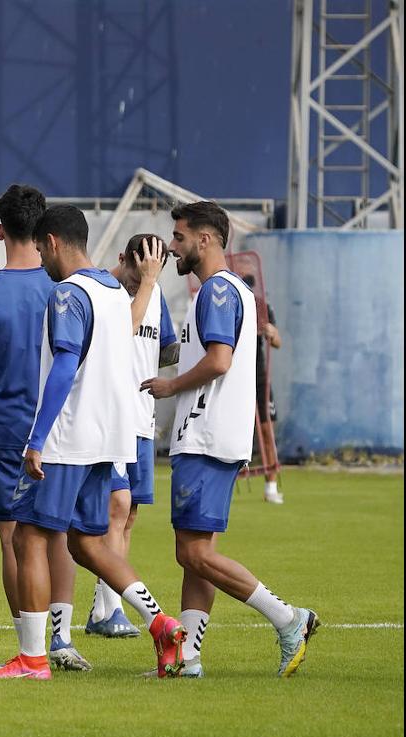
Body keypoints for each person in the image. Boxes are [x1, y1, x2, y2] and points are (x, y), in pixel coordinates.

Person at [0, 204, 185, 681]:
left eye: (40, 248)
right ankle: (161, 623)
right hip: (110, 440)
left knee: (30, 537)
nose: (40, 257)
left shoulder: (67, 294)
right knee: (89, 545)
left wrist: (37, 439)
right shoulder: (116, 291)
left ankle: (33, 660)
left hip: (68, 438)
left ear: (52, 241)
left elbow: (64, 367)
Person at [142, 201, 317, 678]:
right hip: (216, 436)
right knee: (196, 555)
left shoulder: (216, 292)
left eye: (178, 237)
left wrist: (170, 386)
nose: (172, 246)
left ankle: (289, 618)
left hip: (205, 435)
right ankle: (188, 660)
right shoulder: (232, 290)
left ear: (205, 240)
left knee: (193, 553)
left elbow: (219, 360)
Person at [0, 184, 93, 671]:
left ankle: (28, 645)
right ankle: (61, 639)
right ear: (43, 233)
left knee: (14, 539)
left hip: (10, 429)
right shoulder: (65, 290)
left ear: (0, 230)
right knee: (56, 534)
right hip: (64, 428)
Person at [85, 234, 179, 638]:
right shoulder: (105, 291)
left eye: (150, 273)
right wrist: (147, 284)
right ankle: (109, 610)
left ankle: (104, 607)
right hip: (111, 420)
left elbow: (168, 349)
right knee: (116, 508)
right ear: (123, 259)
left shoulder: (154, 295)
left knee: (128, 516)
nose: (141, 279)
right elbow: (124, 330)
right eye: (137, 271)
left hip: (143, 419)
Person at [240, 272, 285, 504]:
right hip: (236, 379)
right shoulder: (230, 303)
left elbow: (277, 342)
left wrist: (270, 332)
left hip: (258, 378)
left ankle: (271, 486)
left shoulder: (262, 307)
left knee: (267, 432)